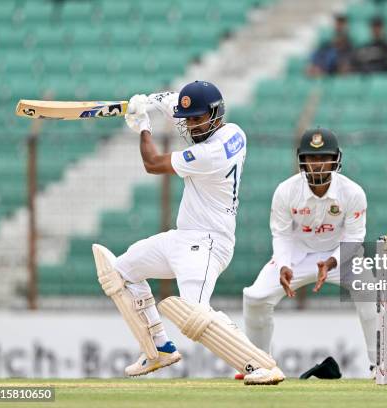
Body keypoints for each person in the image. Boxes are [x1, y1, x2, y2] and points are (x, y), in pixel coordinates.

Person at [92, 80, 284, 385]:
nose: (192, 126)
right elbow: (174, 102)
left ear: (215, 114)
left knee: (194, 313)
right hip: (183, 237)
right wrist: (148, 101)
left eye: (197, 119)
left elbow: (153, 164)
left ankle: (260, 363)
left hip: (208, 243)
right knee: (121, 273)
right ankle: (158, 348)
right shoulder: (235, 132)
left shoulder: (212, 154)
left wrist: (143, 126)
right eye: (189, 120)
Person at [242, 128, 377, 376]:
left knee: (371, 291)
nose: (318, 165)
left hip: (340, 255)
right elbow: (281, 234)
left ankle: (381, 365)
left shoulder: (353, 192)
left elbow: (355, 238)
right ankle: (258, 365)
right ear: (302, 160)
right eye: (312, 158)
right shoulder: (286, 191)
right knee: (255, 298)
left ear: (336, 159)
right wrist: (283, 264)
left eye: (324, 158)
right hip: (296, 255)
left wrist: (332, 262)